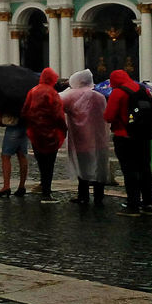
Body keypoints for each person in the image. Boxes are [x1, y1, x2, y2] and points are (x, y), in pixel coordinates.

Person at [104, 68, 152, 215]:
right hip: (144, 135)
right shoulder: (143, 89)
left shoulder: (118, 92)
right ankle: (148, 202)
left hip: (125, 135)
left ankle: (133, 204)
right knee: (145, 168)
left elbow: (109, 116)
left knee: (130, 170)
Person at [60, 69, 109, 205]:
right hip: (99, 139)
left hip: (81, 139)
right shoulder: (99, 96)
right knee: (99, 169)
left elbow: (56, 102)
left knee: (83, 169)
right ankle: (99, 197)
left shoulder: (72, 95)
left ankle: (83, 196)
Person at [23, 67, 66, 203]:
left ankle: (43, 185)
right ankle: (46, 192)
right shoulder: (52, 93)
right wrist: (64, 129)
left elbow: (24, 111)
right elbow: (58, 115)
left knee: (41, 161)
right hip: (50, 134)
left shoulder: (32, 91)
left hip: (35, 133)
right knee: (49, 163)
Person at [0, 107, 29, 198]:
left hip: (13, 125)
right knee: (22, 156)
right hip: (25, 124)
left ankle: (6, 186)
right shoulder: (25, 94)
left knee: (6, 156)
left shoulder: (10, 96)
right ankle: (21, 186)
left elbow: (4, 106)